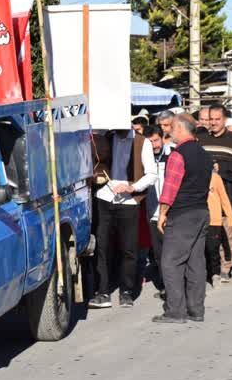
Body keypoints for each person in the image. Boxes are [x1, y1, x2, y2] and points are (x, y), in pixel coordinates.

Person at [153, 115, 213, 324]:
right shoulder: (205, 154)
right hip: (201, 212)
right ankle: (196, 310)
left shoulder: (178, 155)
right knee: (196, 262)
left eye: (171, 128)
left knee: (170, 262)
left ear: (180, 128)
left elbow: (170, 187)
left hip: (183, 214)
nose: (169, 132)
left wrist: (162, 213)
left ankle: (175, 311)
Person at [90, 128, 157, 309]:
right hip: (104, 197)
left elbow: (151, 174)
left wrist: (133, 187)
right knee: (102, 247)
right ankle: (103, 292)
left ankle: (126, 291)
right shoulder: (106, 137)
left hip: (129, 202)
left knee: (129, 249)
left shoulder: (142, 142)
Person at [198, 104, 232, 280]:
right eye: (210, 119)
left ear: (224, 120)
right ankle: (210, 268)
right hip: (206, 197)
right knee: (207, 234)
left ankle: (225, 268)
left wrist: (222, 167)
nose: (213, 123)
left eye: (217, 119)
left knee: (227, 234)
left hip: (228, 193)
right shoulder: (201, 139)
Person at [143, 125, 170, 299]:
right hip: (153, 213)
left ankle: (176, 285)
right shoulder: (143, 158)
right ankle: (165, 285)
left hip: (171, 213)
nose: (154, 145)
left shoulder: (173, 154)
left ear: (162, 138)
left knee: (173, 252)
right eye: (150, 142)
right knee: (160, 254)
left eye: (156, 140)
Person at [206, 170, 232, 287]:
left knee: (214, 249)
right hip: (199, 220)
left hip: (214, 220)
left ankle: (216, 273)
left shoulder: (215, 178)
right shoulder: (193, 175)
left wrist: (230, 218)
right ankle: (206, 273)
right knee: (202, 250)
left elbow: (224, 198)